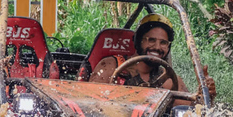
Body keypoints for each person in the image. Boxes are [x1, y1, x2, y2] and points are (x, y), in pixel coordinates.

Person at [87, 13, 216, 103]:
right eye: (151, 40)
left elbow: (189, 115)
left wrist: (205, 95)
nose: (157, 47)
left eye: (163, 43)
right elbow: (89, 102)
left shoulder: (169, 79)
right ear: (138, 41)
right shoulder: (111, 66)